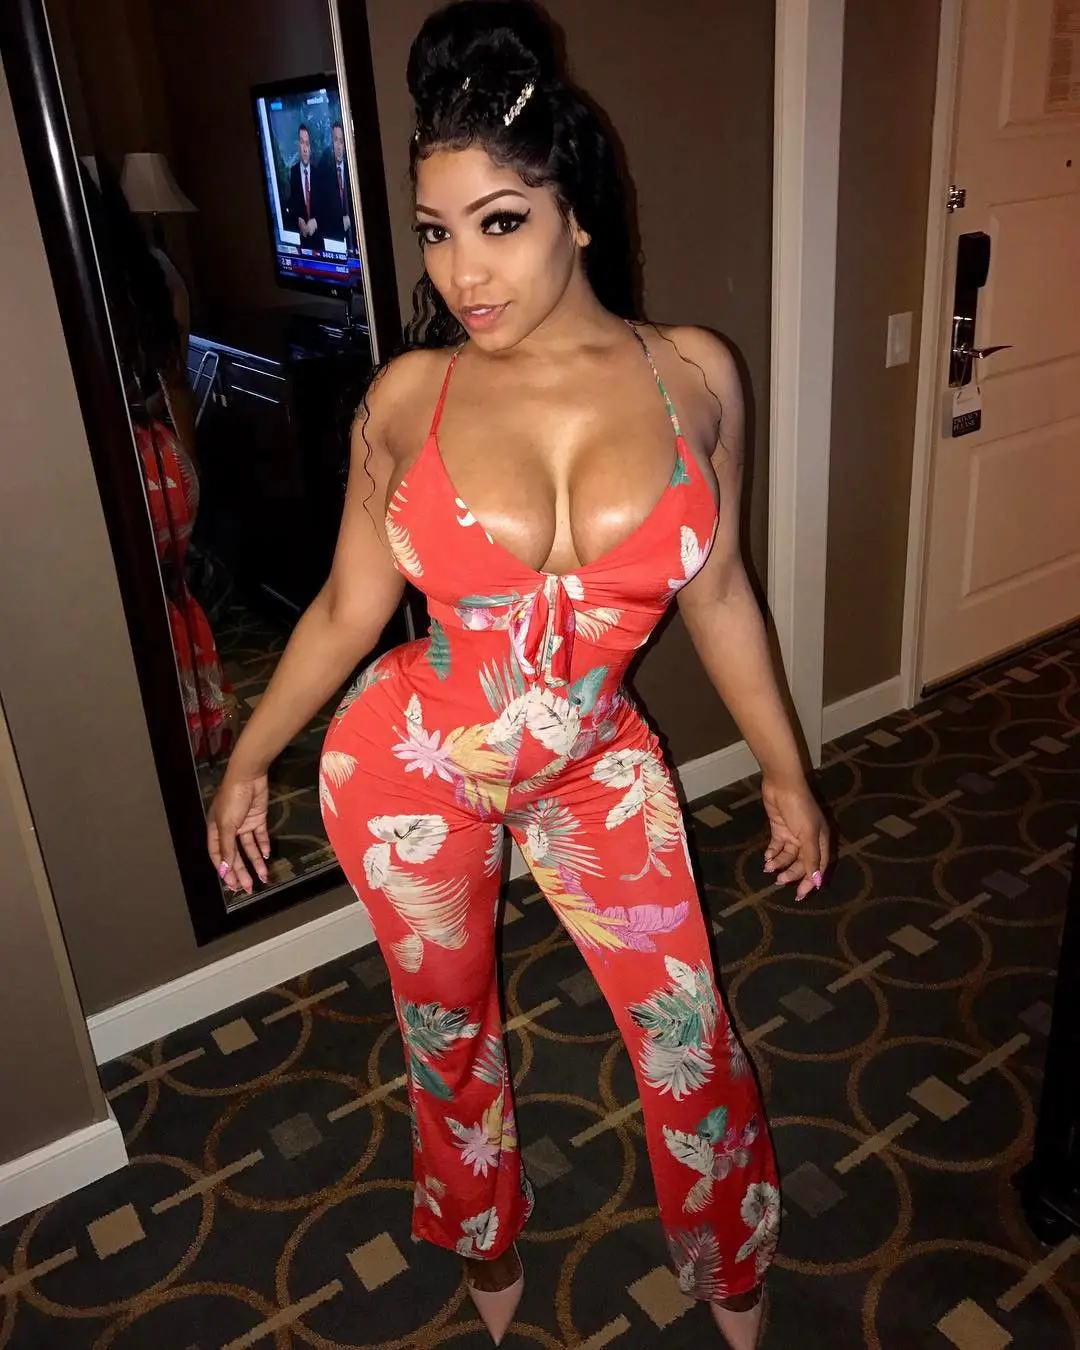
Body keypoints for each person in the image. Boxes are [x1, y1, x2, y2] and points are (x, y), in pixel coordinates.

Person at [207, 3, 830, 1345]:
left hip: (596, 765)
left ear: (577, 214)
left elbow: (720, 588)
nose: (461, 272)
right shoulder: (408, 396)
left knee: (688, 1032)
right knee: (450, 1039)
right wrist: (248, 757)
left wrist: (788, 772)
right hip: (410, 769)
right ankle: (482, 1232)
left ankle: (728, 1254)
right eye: (435, 233)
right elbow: (345, 609)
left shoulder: (696, 377)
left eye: (499, 222)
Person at [82, 159, 235, 764]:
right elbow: (176, 385)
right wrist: (191, 473)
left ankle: (158, 742)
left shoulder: (72, 287)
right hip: (166, 461)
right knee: (173, 592)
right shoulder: (153, 274)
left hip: (126, 462)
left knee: (135, 606)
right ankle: (200, 724)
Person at [320, 119, 354, 252]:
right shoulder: (324, 173)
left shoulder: (353, 172)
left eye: (342, 141)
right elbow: (322, 212)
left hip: (354, 241)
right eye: (335, 140)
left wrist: (350, 219)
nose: (339, 146)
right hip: (333, 241)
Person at [287, 123, 322, 251]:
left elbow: (326, 209)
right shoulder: (293, 172)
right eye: (302, 143)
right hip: (300, 243)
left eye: (307, 143)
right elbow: (291, 206)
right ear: (298, 145)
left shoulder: (318, 174)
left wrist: (316, 222)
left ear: (311, 147)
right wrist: (298, 220)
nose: (305, 149)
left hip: (319, 242)